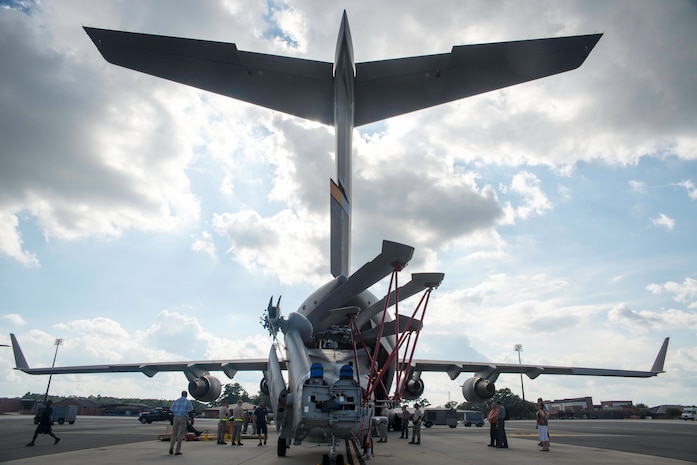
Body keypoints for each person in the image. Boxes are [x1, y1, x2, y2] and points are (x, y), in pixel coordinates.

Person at [169, 390, 194, 455]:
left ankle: (171, 447)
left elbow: (172, 410)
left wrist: (173, 419)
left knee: (174, 433)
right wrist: (192, 419)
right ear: (186, 395)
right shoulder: (187, 402)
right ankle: (177, 450)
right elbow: (190, 411)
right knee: (180, 434)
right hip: (183, 417)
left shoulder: (176, 401)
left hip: (176, 417)